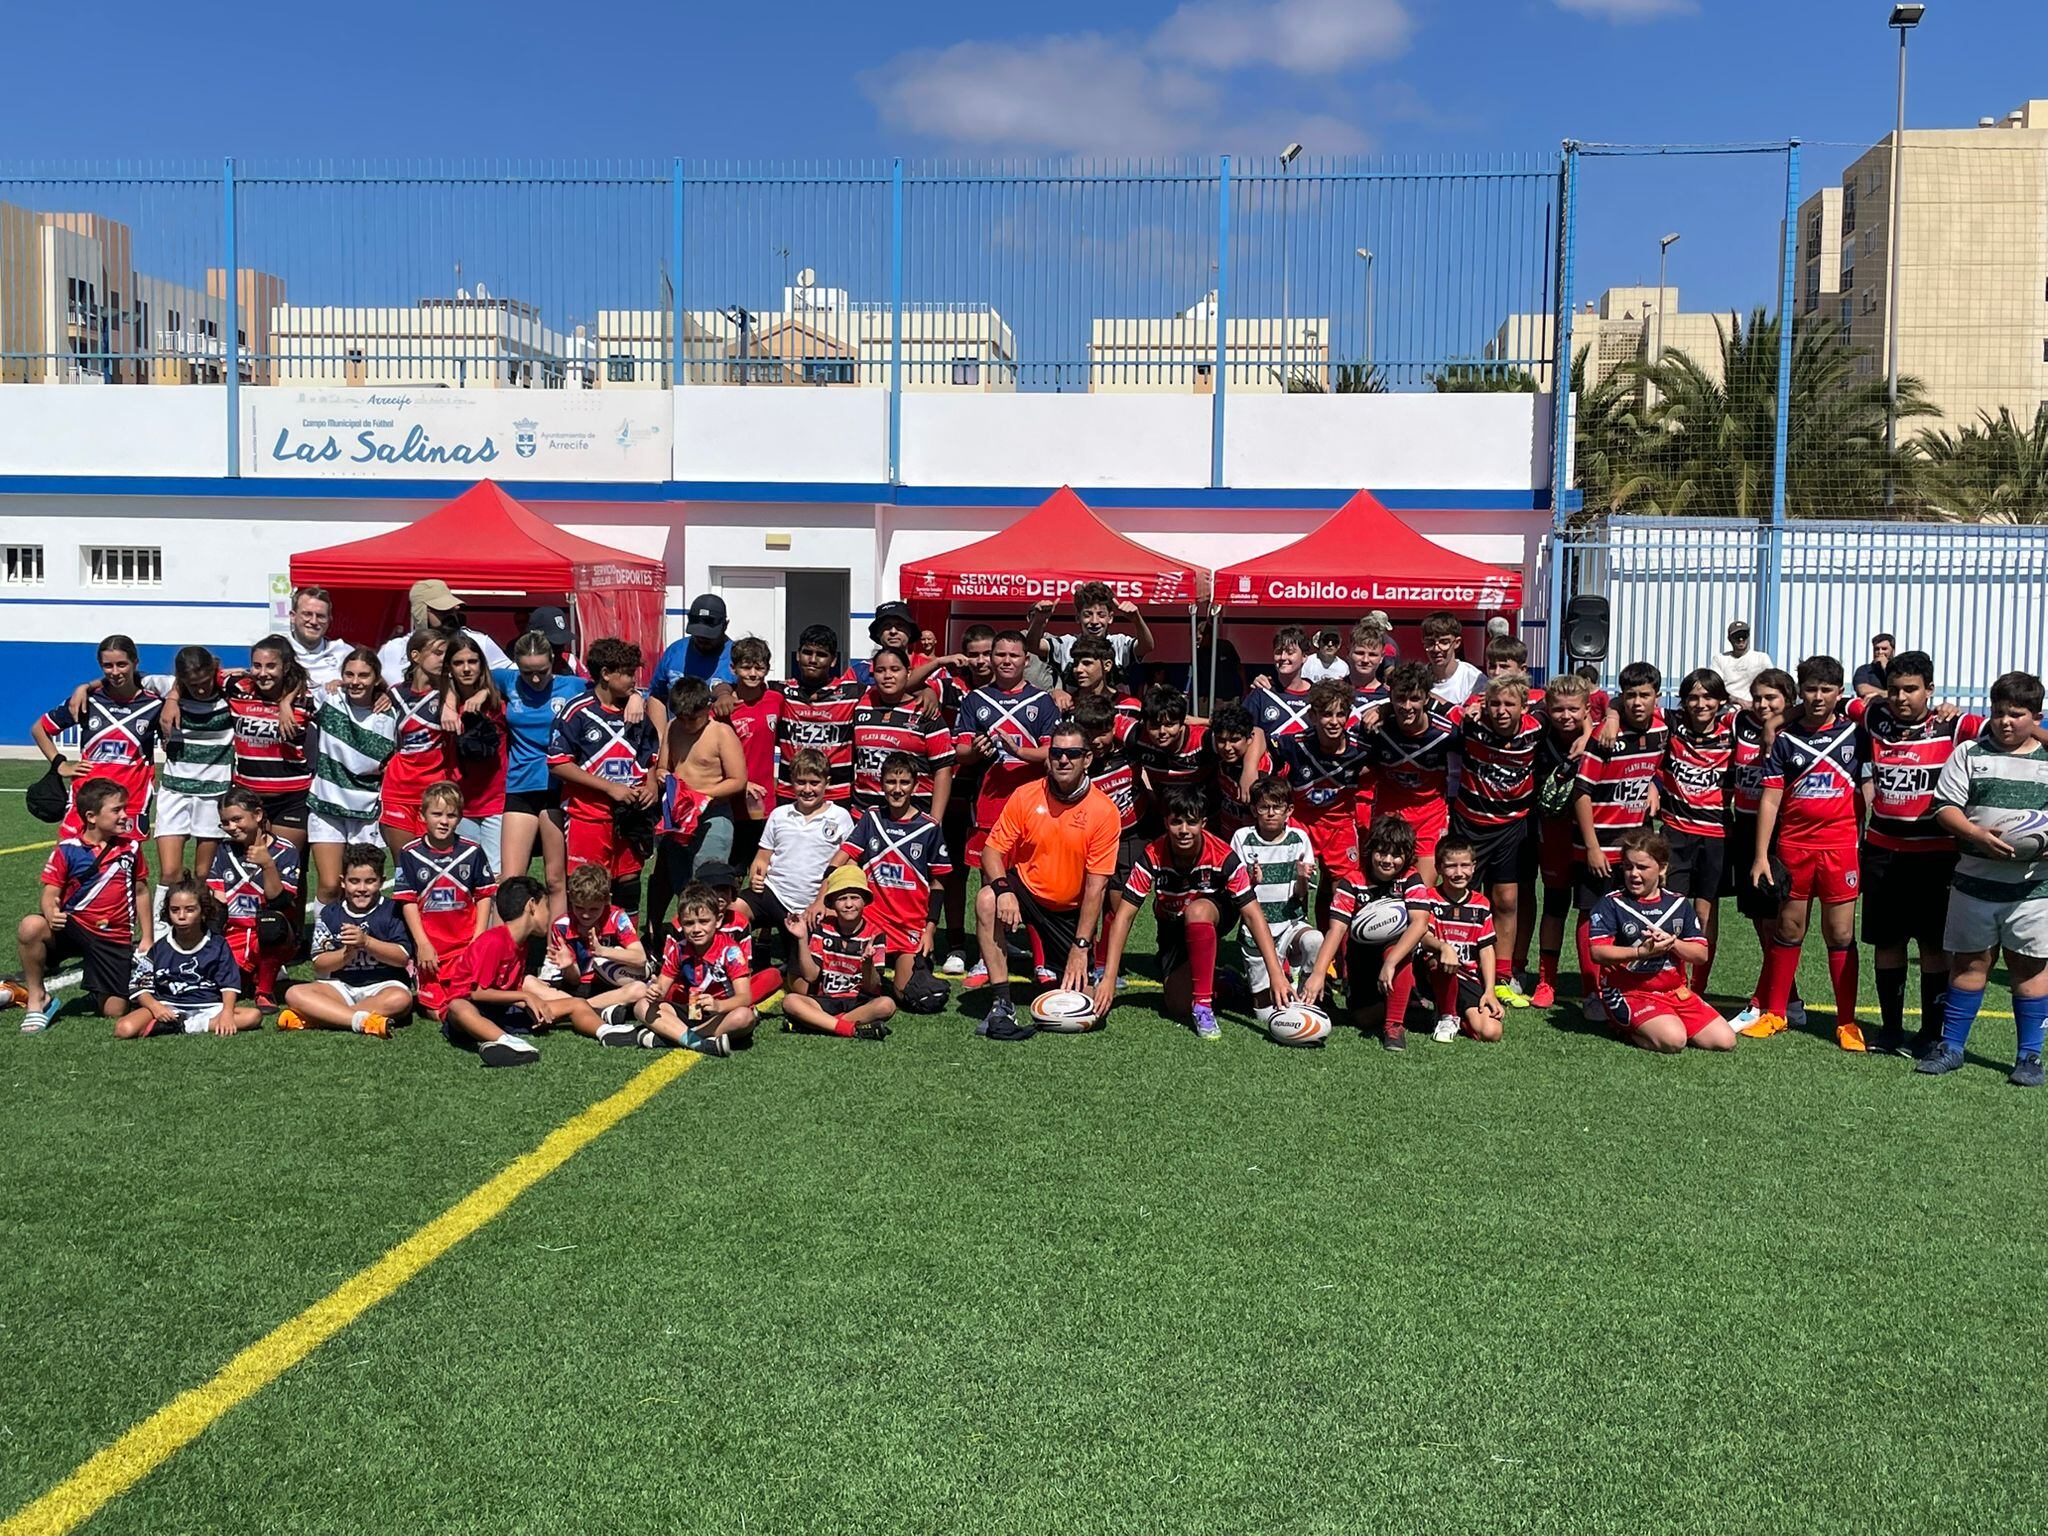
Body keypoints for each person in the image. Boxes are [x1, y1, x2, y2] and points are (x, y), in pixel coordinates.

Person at [1850, 649, 1982, 1057]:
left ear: (1930, 689)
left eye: (1911, 689)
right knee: (1887, 942)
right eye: (1894, 689)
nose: (1901, 697)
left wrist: (1953, 709)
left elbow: (2015, 729)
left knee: (1932, 946)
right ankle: (1890, 1030)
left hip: (1935, 854)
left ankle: (1929, 1032)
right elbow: (1833, 700)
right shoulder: (1874, 715)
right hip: (1882, 851)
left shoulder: (1955, 723)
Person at [1919, 670, 2048, 1085]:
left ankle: (2029, 1058)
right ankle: (1952, 1047)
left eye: (2016, 714)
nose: (2005, 722)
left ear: (2037, 716)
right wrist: (1975, 833)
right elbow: (1944, 807)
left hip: (2034, 889)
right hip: (1974, 881)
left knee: (2028, 968)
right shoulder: (1970, 753)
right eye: (1997, 713)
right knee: (1970, 963)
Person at [1093, 785, 1287, 1040]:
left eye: (1191, 822)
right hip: (1172, 924)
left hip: (1212, 915)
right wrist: (1108, 976)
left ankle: (1204, 1006)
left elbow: (1252, 914)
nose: (1184, 830)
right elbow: (1124, 916)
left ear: (1203, 823)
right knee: (1176, 1005)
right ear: (1166, 823)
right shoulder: (1152, 855)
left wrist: (1276, 975)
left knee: (1198, 910)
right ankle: (1224, 981)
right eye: (1176, 822)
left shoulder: (1223, 856)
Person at [975, 720, 1122, 1040]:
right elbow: (990, 853)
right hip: (1026, 890)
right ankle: (1002, 1003)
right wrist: (1003, 890)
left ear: (1088, 759)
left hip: (1070, 910)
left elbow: (1096, 887)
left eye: (1072, 753)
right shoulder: (1025, 795)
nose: (1063, 760)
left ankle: (1067, 964)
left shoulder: (1104, 811)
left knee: (1089, 1005)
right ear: (1048, 757)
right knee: (987, 899)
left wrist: (1081, 947)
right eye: (1057, 753)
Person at [1747, 655, 1866, 1050]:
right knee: (1788, 928)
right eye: (1811, 689)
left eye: (1826, 690)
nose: (1818, 697)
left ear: (1839, 693)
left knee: (1840, 933)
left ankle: (1846, 1023)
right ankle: (1775, 1013)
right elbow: (1770, 799)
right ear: (1801, 692)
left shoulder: (1856, 732)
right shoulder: (1784, 738)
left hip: (1840, 848)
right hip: (1795, 847)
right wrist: (1762, 855)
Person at [1569, 662, 1668, 1020]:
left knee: (1629, 914)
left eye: (1644, 695)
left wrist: (1654, 785)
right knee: (1592, 916)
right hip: (1597, 846)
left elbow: (1657, 767)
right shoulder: (1603, 736)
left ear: (1657, 696)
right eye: (1630, 696)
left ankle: (1621, 986)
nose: (1637, 703)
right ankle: (1591, 991)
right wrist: (1592, 847)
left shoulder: (1663, 729)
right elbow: (1581, 794)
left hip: (1633, 849)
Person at [1586, 830, 1737, 1054]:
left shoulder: (1678, 904)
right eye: (1628, 867)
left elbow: (1700, 954)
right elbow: (1597, 952)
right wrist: (1639, 952)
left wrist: (1673, 944)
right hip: (1629, 992)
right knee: (1674, 1040)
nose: (1634, 874)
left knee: (1725, 1040)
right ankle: (1626, 1028)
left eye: (1642, 867)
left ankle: (1663, 1020)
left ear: (1663, 868)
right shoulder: (1611, 904)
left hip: (1673, 991)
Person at [18, 779, 150, 1033]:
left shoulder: (131, 848)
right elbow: (50, 892)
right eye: (116, 810)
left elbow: (142, 891)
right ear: (91, 817)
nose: (125, 815)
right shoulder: (67, 849)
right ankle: (38, 999)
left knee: (114, 1011)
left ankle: (101, 988)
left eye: (124, 808)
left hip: (113, 936)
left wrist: (148, 937)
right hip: (74, 926)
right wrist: (50, 912)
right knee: (30, 927)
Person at [436, 877, 605, 1068]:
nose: (549, 914)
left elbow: (509, 988)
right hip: (471, 1012)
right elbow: (478, 993)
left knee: (576, 1003)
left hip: (503, 1009)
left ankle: (606, 1031)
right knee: (458, 1007)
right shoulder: (494, 940)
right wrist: (526, 997)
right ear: (532, 905)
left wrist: (534, 1004)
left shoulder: (523, 943)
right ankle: (509, 1044)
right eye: (546, 906)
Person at [1448, 672, 1544, 1008]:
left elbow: (1582, 704)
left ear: (1523, 706)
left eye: (1508, 704)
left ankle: (1502, 977)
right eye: (1494, 704)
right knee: (1461, 899)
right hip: (1469, 824)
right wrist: (1469, 705)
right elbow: (1436, 710)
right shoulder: (1472, 722)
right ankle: (1459, 970)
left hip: (1511, 827)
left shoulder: (1537, 728)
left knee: (1506, 901)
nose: (1501, 710)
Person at [550, 637, 663, 912]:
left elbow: (649, 757)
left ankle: (626, 947)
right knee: (587, 886)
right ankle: (585, 948)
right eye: (626, 674)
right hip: (588, 813)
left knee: (629, 881)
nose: (632, 680)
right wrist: (609, 787)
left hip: (631, 814)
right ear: (605, 674)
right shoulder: (577, 711)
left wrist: (651, 785)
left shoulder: (636, 711)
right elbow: (557, 763)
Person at [1302, 814, 1432, 1048]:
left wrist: (1391, 961)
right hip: (1361, 953)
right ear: (1370, 850)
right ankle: (1405, 1003)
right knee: (1362, 1018)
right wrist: (1319, 972)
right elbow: (1336, 929)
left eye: (1396, 855)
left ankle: (1394, 1026)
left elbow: (1420, 923)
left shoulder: (1410, 878)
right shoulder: (1352, 881)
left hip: (1398, 951)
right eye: (1381, 852)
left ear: (1407, 857)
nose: (1388, 860)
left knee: (1396, 947)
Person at [832, 752, 952, 998]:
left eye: (904, 783)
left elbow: (938, 883)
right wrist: (820, 901)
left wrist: (929, 930)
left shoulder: (929, 828)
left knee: (908, 995)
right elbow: (841, 861)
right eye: (891, 782)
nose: (897, 790)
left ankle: (915, 966)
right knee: (862, 990)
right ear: (881, 784)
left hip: (910, 924)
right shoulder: (872, 818)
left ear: (915, 786)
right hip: (872, 921)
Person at [1727, 668, 1803, 1033]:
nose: (1762, 704)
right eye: (1758, 697)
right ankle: (1788, 996)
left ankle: (1767, 1000)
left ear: (1788, 699)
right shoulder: (1740, 722)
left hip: (1777, 833)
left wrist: (1781, 720)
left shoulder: (1796, 728)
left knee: (1776, 921)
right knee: (1760, 921)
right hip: (1744, 829)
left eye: (1771, 698)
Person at [494, 631, 588, 918]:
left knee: (556, 880)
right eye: (527, 672)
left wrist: (634, 698)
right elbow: (460, 677)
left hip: (557, 788)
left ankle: (554, 950)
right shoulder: (505, 681)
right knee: (510, 881)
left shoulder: (573, 686)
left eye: (541, 671)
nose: (535, 679)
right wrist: (451, 702)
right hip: (520, 788)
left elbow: (615, 691)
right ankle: (504, 953)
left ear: (553, 663)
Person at [646, 676, 748, 937]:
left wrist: (700, 796)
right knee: (677, 879)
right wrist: (662, 778)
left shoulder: (721, 732)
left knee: (707, 878)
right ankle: (676, 936)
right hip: (678, 816)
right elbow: (664, 767)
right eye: (681, 718)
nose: (687, 724)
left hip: (712, 815)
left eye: (692, 718)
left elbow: (738, 780)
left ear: (707, 708)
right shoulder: (673, 726)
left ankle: (714, 939)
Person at [35, 633, 163, 840]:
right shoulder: (87, 700)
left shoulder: (155, 705)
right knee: (72, 860)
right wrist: (60, 764)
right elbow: (39, 729)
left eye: (122, 664)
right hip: (86, 799)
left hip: (130, 801)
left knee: (123, 868)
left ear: (135, 662)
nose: (115, 672)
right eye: (107, 666)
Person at [280, 845, 415, 1037]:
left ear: (382, 881)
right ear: (343, 882)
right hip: (341, 986)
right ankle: (361, 1021)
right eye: (354, 881)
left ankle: (322, 1017)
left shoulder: (393, 910)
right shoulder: (330, 913)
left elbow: (402, 958)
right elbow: (320, 965)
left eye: (370, 881)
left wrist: (366, 942)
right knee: (294, 993)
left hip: (384, 983)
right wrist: (346, 954)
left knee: (400, 1000)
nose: (361, 889)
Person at [1657, 669, 1734, 999]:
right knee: (1671, 910)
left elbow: (1775, 713)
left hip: (1714, 836)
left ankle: (1697, 988)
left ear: (1720, 701)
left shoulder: (1734, 731)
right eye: (1693, 697)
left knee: (1704, 913)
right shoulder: (1673, 725)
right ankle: (1673, 981)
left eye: (1708, 697)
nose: (1700, 703)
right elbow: (1620, 702)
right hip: (1674, 833)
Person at [394, 780, 498, 1020]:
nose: (444, 821)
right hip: (432, 949)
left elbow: (484, 895)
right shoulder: (410, 854)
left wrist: (478, 938)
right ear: (423, 815)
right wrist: (422, 944)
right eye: (437, 814)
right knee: (435, 1008)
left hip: (465, 944)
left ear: (460, 818)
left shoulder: (472, 851)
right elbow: (407, 901)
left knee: (472, 996)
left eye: (451, 815)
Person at [954, 630, 1058, 866]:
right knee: (989, 879)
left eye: (1014, 655)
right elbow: (960, 751)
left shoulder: (1042, 700)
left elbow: (1051, 752)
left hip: (1033, 802)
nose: (1007, 661)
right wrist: (974, 752)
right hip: (988, 802)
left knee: (1030, 874)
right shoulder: (975, 699)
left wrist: (1018, 752)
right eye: (1000, 654)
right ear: (991, 658)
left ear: (1027, 660)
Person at [306, 647, 399, 906]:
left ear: (377, 678)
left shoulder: (391, 712)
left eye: (364, 675)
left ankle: (363, 942)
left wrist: (388, 693)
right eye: (349, 674)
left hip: (367, 811)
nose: (355, 681)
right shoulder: (329, 697)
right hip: (327, 806)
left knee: (363, 888)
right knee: (329, 884)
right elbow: (291, 683)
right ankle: (322, 943)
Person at [1228, 776, 1322, 1028]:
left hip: (1291, 923)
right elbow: (1234, 894)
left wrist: (1302, 879)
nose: (1270, 813)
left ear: (1288, 810)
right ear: (1254, 810)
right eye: (1264, 807)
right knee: (1264, 1015)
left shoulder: (1299, 838)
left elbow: (1301, 897)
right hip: (1256, 931)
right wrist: (1250, 882)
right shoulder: (1241, 838)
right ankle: (1238, 981)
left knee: (1315, 940)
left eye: (1277, 807)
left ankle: (1303, 995)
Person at [118, 874, 259, 1038]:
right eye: (175, 910)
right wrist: (156, 1008)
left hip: (209, 1007)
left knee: (252, 1017)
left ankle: (181, 1026)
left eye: (190, 909)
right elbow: (139, 985)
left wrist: (227, 1013)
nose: (182, 916)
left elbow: (229, 985)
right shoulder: (160, 948)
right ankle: (173, 1022)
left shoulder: (218, 945)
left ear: (203, 911)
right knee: (124, 1028)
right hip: (167, 1005)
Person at [735, 748, 856, 939]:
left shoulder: (840, 817)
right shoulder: (780, 814)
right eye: (801, 782)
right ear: (792, 781)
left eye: (814, 783)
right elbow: (762, 857)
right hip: (774, 892)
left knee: (800, 966)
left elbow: (849, 863)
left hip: (813, 902)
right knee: (734, 911)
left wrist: (829, 900)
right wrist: (756, 874)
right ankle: (735, 962)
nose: (807, 790)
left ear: (827, 783)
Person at [1529, 673, 1596, 1008]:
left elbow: (1613, 709)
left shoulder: (1600, 735)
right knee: (1555, 905)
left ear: (1586, 709)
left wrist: (1591, 731)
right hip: (1552, 832)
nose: (1566, 716)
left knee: (1591, 908)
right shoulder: (1539, 731)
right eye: (1559, 709)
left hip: (1592, 833)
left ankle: (1592, 983)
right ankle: (1546, 980)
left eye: (1573, 709)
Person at [144, 647, 234, 895]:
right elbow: (126, 679)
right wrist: (83, 689)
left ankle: (204, 930)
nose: (202, 689)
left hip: (214, 796)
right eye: (193, 685)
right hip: (175, 792)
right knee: (170, 873)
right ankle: (162, 931)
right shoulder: (165, 686)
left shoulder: (231, 688)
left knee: (204, 874)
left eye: (205, 682)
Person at [1270, 680, 1375, 888]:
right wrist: (1250, 769)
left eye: (1340, 714)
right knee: (1293, 883)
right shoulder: (1294, 744)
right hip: (1302, 822)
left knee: (1343, 887)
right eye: (1327, 714)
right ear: (1313, 716)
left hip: (1340, 825)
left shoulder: (1362, 750)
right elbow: (1257, 737)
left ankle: (1334, 921)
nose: (1334, 721)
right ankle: (1297, 921)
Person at [934, 625, 994, 974]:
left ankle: (997, 937)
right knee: (954, 872)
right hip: (956, 790)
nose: (982, 661)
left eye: (989, 653)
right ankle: (957, 944)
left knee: (997, 871)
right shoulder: (948, 685)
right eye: (974, 654)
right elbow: (912, 683)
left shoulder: (1010, 688)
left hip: (995, 793)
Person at [1362, 661, 1456, 886]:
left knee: (1421, 892)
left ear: (1426, 698)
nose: (1406, 706)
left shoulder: (1447, 734)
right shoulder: (1376, 729)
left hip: (1429, 818)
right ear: (1390, 697)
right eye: (1399, 699)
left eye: (1414, 698)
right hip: (1389, 815)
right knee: (1380, 890)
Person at [209, 785, 302, 1007]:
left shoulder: (285, 851)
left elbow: (280, 900)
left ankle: (265, 989)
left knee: (272, 922)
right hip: (235, 932)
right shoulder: (225, 850)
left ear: (258, 815)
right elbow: (218, 896)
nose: (231, 827)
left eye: (237, 819)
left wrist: (268, 865)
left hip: (272, 931)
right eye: (225, 822)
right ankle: (251, 973)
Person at [223, 635, 315, 855]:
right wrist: (172, 698)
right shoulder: (237, 688)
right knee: (250, 865)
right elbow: (196, 672)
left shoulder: (304, 699)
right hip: (247, 797)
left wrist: (285, 701)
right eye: (257, 666)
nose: (263, 673)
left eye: (271, 666)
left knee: (285, 867)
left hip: (291, 798)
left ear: (285, 667)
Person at [640, 882, 757, 1054]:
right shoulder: (679, 948)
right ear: (680, 923)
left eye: (703, 921)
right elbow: (662, 989)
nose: (696, 929)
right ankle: (700, 1042)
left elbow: (745, 997)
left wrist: (718, 1005)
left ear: (718, 921)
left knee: (744, 1017)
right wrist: (655, 992)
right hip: (691, 1011)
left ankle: (675, 1036)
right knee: (641, 1005)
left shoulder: (730, 951)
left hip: (721, 1014)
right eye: (689, 923)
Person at [781, 867, 895, 1041]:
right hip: (825, 999)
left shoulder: (875, 934)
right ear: (832, 904)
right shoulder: (824, 928)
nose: (849, 904)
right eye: (842, 899)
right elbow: (811, 976)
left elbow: (872, 987)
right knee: (790, 1001)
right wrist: (802, 939)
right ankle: (849, 1028)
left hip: (859, 1001)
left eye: (855, 898)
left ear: (864, 901)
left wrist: (868, 963)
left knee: (887, 1005)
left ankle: (816, 1023)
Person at [1415, 834, 1504, 1043]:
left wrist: (1489, 990)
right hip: (1430, 972)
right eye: (1451, 866)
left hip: (1466, 978)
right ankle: (1447, 1015)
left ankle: (1458, 1016)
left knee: (1491, 1032)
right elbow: (1422, 937)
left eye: (1465, 865)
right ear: (1438, 868)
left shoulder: (1481, 904)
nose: (1458, 872)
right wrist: (1443, 946)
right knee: (1440, 961)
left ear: (1474, 867)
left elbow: (1486, 949)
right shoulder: (1428, 898)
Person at [851, 647, 954, 820]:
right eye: (880, 670)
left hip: (914, 817)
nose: (887, 675)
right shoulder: (860, 702)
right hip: (864, 816)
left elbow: (943, 769)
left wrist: (935, 821)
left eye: (895, 669)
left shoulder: (926, 711)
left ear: (908, 673)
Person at [541, 861, 651, 1018]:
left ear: (607, 900)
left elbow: (640, 958)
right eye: (579, 908)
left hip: (610, 986)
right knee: (529, 983)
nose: (585, 915)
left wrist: (603, 951)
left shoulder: (617, 917)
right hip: (578, 987)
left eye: (593, 909)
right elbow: (574, 980)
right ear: (570, 898)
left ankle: (572, 1010)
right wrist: (568, 966)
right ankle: (596, 1010)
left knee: (640, 989)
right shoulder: (562, 925)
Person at [379, 629, 453, 859]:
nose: (443, 659)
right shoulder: (394, 694)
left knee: (433, 862)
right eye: (437, 653)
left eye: (446, 654)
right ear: (415, 656)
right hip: (398, 788)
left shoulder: (451, 694)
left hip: (435, 789)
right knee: (405, 866)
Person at [777, 625, 865, 805]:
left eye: (822, 655)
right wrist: (724, 692)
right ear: (797, 655)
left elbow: (894, 691)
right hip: (790, 793)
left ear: (833, 661)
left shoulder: (852, 693)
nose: (813, 660)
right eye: (807, 652)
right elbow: (741, 689)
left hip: (836, 797)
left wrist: (926, 692)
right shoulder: (780, 692)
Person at [441, 634, 508, 865]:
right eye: (458, 663)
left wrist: (486, 692)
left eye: (472, 661)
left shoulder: (498, 702)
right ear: (449, 667)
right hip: (459, 803)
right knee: (464, 872)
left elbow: (517, 675)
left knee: (496, 873)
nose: (466, 669)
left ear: (482, 664)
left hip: (496, 802)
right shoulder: (442, 703)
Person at [724, 636, 783, 876]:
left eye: (759, 667)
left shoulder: (776, 700)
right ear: (733, 668)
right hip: (731, 803)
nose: (753, 673)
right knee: (733, 871)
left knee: (764, 871)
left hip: (766, 804)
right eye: (746, 667)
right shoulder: (724, 708)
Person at [374, 579, 510, 680]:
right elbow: (372, 681)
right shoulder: (394, 649)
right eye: (442, 610)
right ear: (420, 612)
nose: (450, 614)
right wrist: (383, 694)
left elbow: (512, 676)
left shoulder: (478, 642)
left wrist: (486, 689)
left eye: (451, 608)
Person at [1025, 580, 1153, 674]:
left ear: (1111, 617)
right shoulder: (1065, 644)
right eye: (1088, 614)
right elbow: (1032, 646)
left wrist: (1137, 619)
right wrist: (1039, 620)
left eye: (1101, 615)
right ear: (1078, 618)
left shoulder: (1119, 643)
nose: (1094, 621)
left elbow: (1147, 646)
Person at [650, 593, 737, 699]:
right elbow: (656, 695)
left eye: (709, 634)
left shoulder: (737, 656)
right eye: (697, 633)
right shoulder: (675, 651)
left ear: (725, 626)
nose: (702, 638)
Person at [1243, 626, 1316, 748]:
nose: (1282, 657)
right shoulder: (1262, 693)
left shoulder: (1318, 695)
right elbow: (1242, 730)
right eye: (1278, 652)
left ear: (1304, 657)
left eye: (1290, 652)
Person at [1207, 701, 1270, 837]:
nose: (1227, 747)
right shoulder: (1217, 747)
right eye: (1221, 740)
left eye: (1235, 740)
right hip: (1224, 832)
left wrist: (1249, 769)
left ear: (1249, 739)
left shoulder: (1262, 772)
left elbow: (1258, 732)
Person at [282, 586, 353, 690]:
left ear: (329, 621)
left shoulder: (344, 652)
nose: (314, 621)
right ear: (293, 616)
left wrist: (379, 695)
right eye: (307, 614)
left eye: (321, 616)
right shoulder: (277, 651)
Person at [1419, 611, 1482, 707]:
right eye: (1430, 643)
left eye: (1444, 642)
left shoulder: (1474, 679)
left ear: (1457, 643)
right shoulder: (1418, 677)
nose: (1436, 649)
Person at [1710, 618, 1773, 706]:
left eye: (1744, 635)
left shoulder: (1762, 658)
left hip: (1754, 707)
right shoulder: (1719, 659)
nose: (1740, 639)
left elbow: (1772, 683)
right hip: (1728, 706)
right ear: (1729, 639)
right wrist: (1738, 701)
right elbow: (1715, 687)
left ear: (1748, 636)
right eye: (1736, 636)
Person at [1853, 633, 1895, 700]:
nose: (1880, 652)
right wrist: (1888, 694)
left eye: (1884, 649)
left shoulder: (1899, 669)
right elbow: (1862, 690)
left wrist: (1886, 668)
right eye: (1877, 649)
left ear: (1893, 651)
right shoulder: (1864, 670)